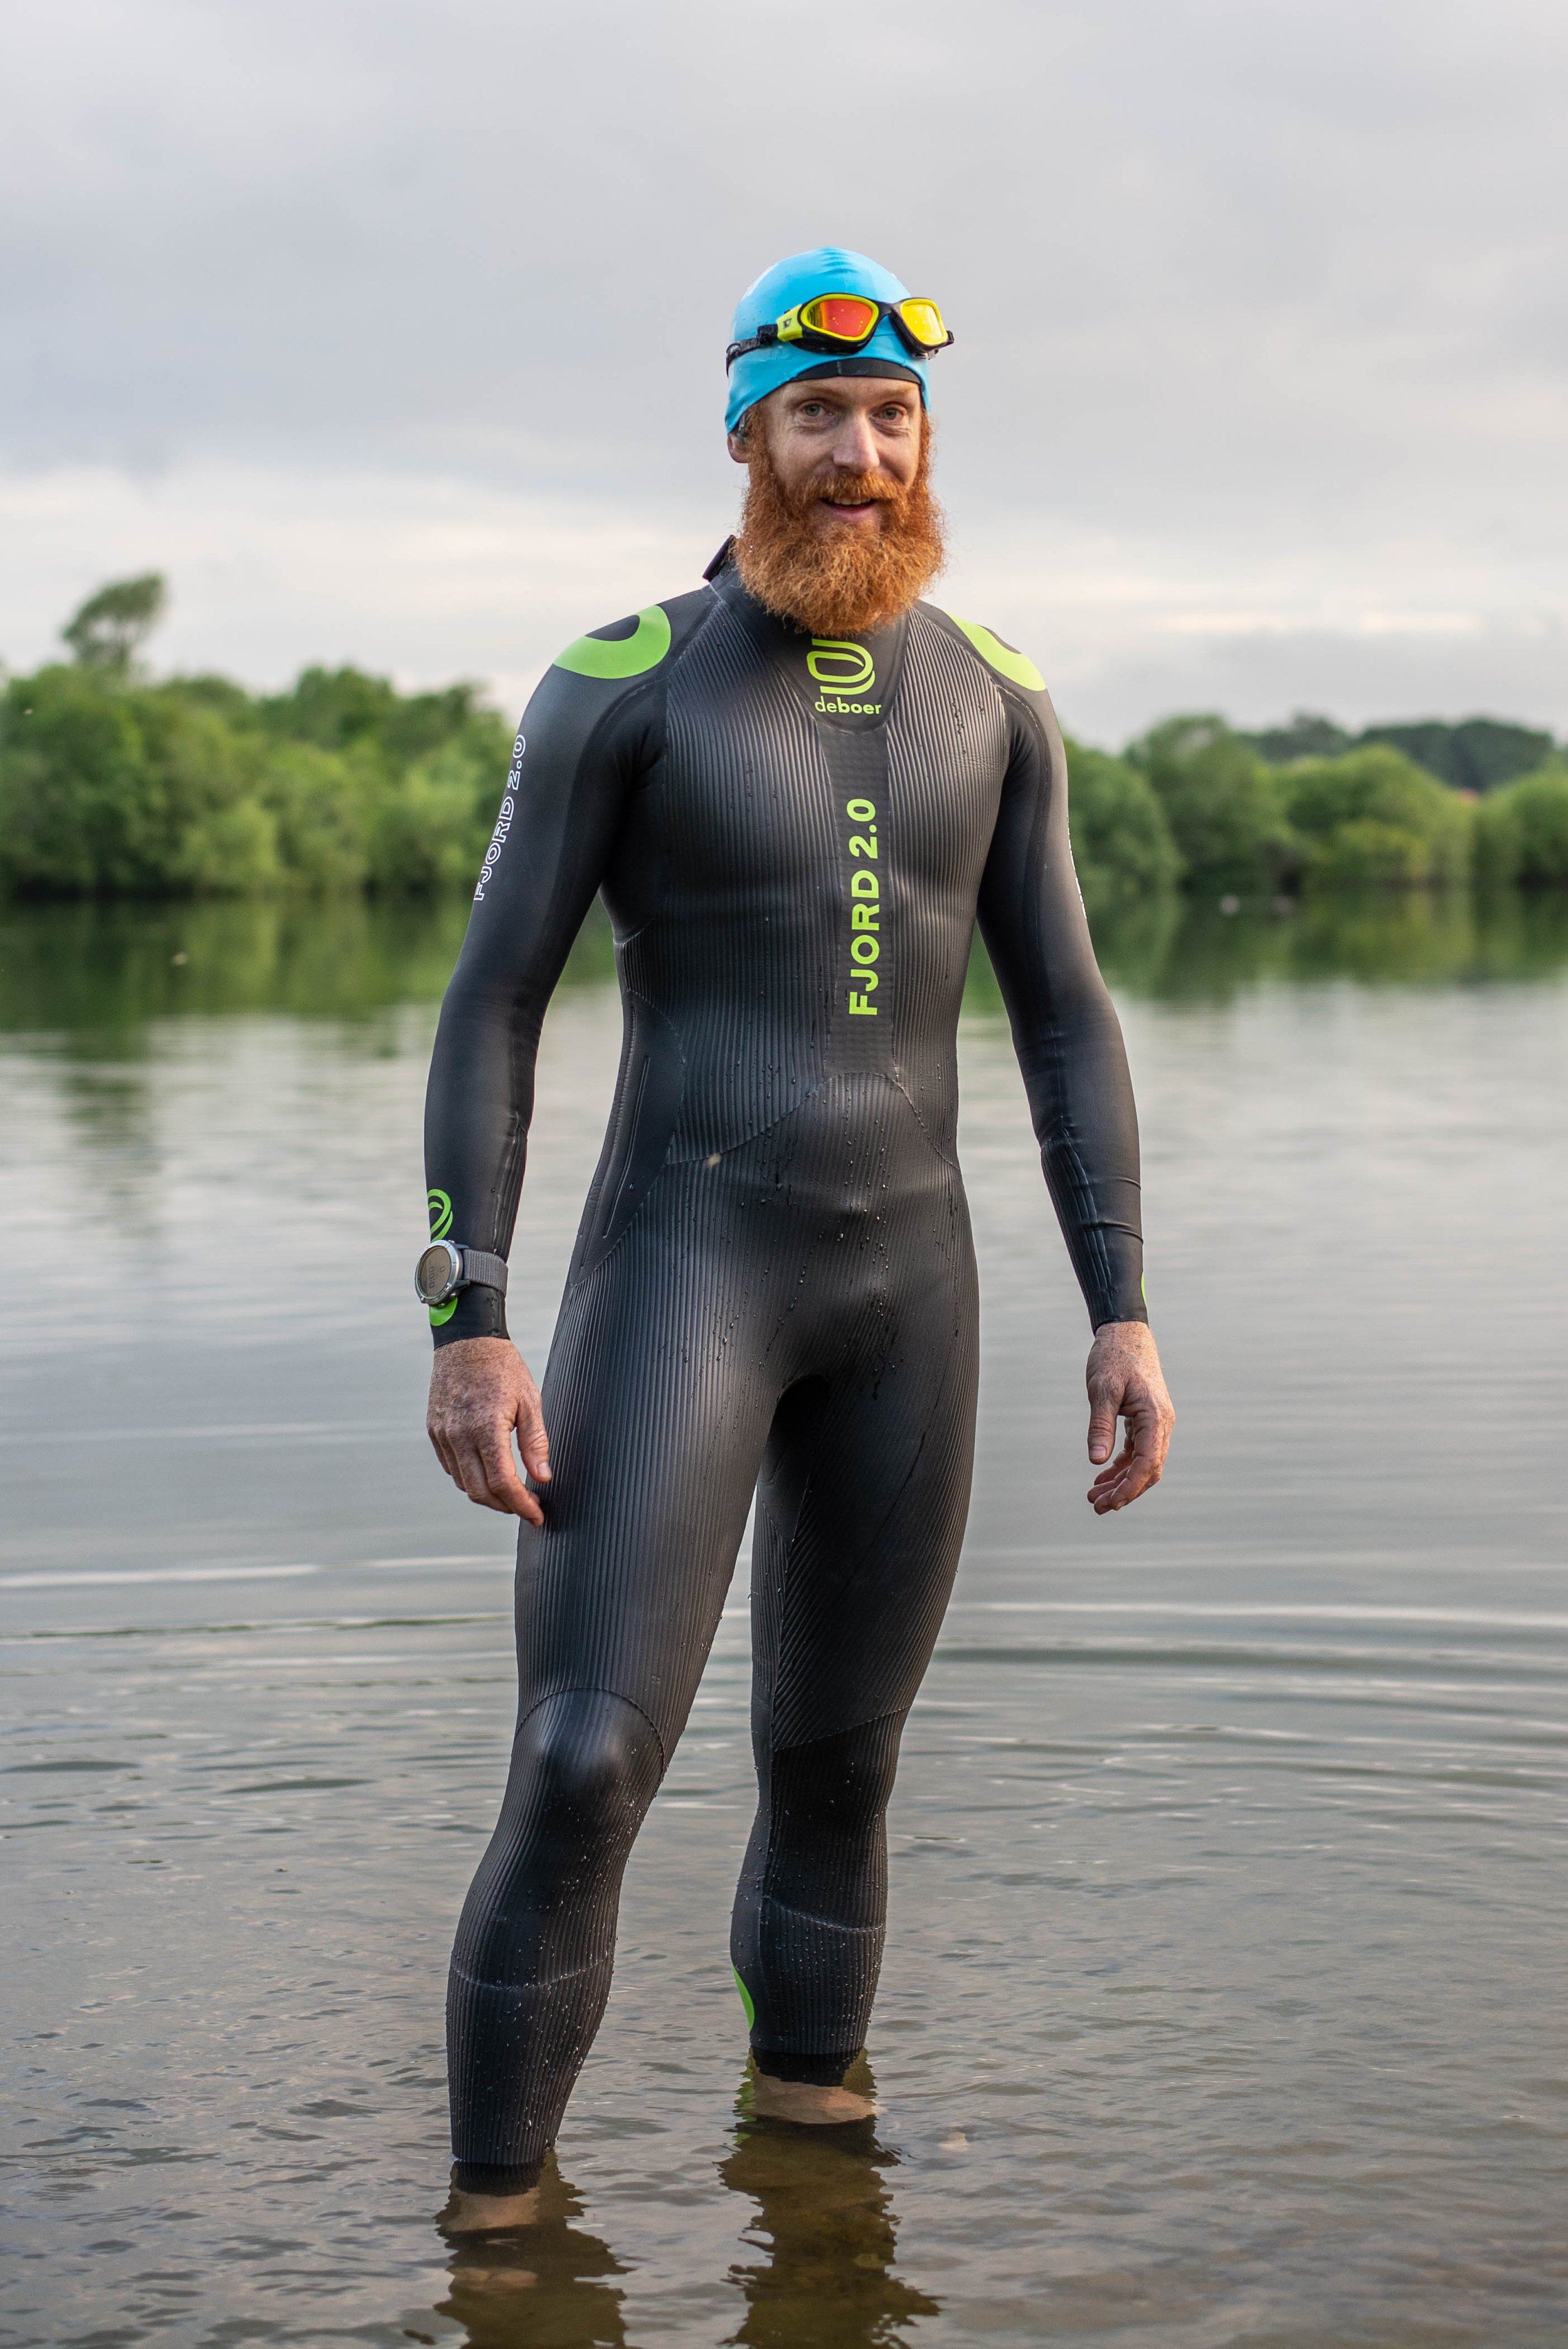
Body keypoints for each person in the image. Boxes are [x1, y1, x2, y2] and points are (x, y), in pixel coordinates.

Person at [419, 247, 1175, 2234]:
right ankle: (500, 2242)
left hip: (906, 1291)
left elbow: (1066, 1010)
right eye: (817, 414)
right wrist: (469, 1314)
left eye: (893, 417)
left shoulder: (999, 696)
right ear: (747, 433)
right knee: (585, 1758)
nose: (859, 454)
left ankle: (815, 2192)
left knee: (840, 1761)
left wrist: (1125, 1305)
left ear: (926, 444)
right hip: (685, 1268)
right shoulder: (619, 682)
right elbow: (492, 998)